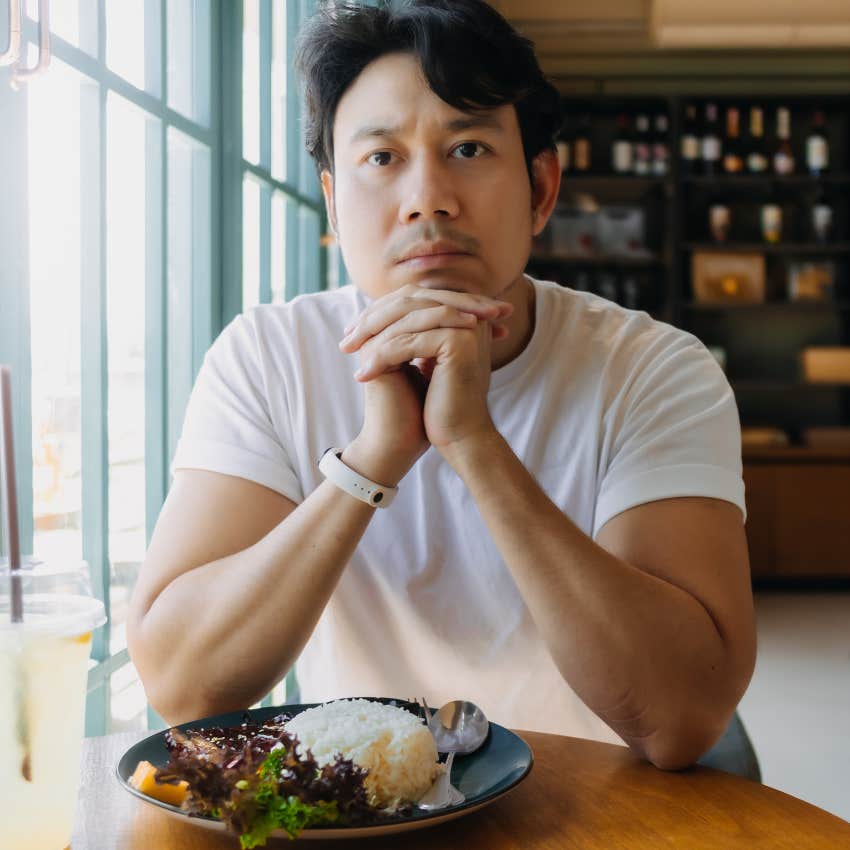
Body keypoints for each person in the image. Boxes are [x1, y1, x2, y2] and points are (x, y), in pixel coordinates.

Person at [127, 0, 756, 770]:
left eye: (467, 147)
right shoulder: (268, 357)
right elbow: (184, 687)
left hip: (599, 809)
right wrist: (371, 460)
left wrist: (471, 442)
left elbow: (681, 718)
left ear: (541, 189)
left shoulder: (654, 370)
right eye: (381, 157)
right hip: (359, 807)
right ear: (333, 201)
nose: (428, 197)